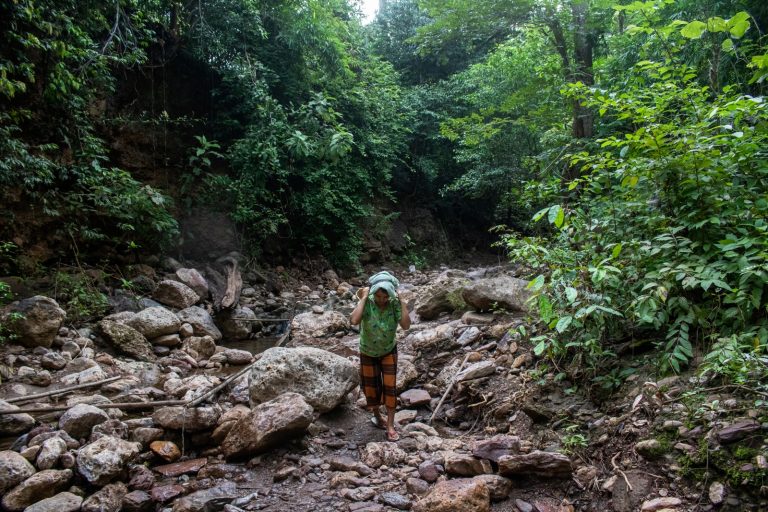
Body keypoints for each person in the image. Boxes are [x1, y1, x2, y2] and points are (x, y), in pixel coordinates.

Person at [350, 271, 410, 442]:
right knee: (372, 388)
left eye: (385, 296)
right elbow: (354, 321)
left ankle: (390, 425)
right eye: (378, 295)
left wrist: (403, 303)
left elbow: (405, 325)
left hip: (388, 350)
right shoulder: (367, 303)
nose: (381, 299)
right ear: (373, 292)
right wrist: (363, 298)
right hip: (367, 351)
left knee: (390, 388)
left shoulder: (394, 303)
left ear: (390, 294)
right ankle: (377, 416)